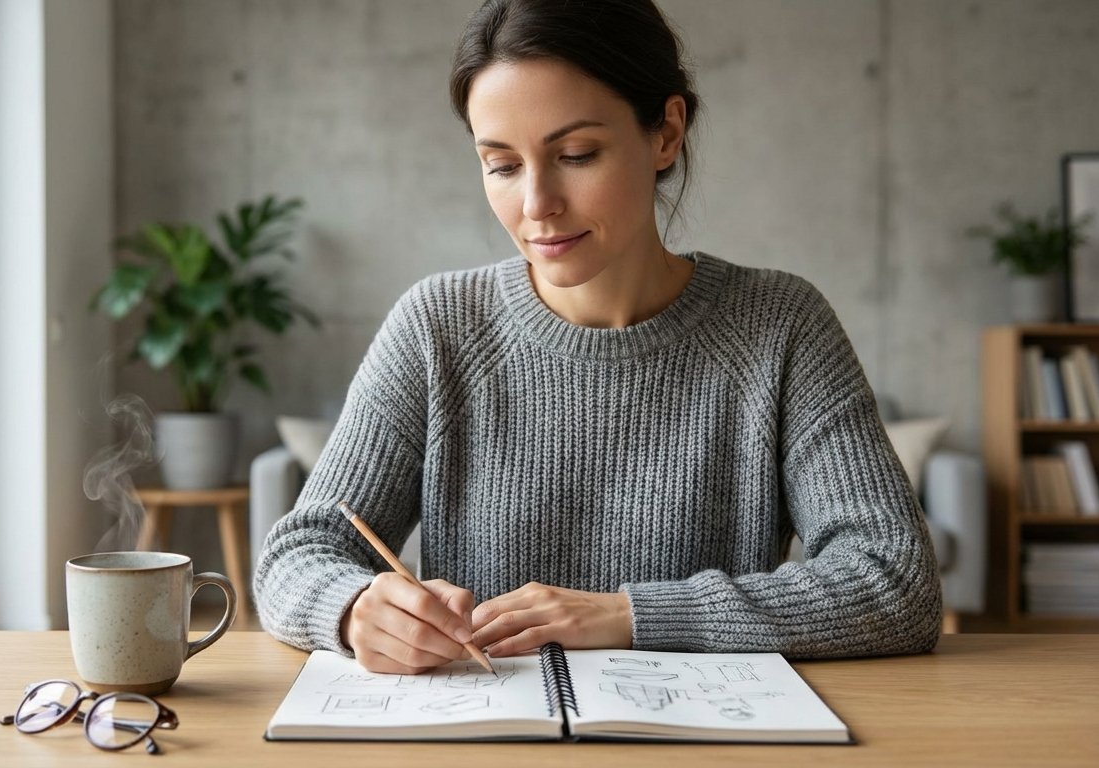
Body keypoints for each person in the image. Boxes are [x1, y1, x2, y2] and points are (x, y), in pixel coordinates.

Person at [253, 0, 941, 674]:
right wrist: (353, 608)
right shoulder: (436, 327)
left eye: (576, 154)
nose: (536, 205)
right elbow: (297, 555)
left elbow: (895, 581)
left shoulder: (781, 326)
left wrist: (628, 616)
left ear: (666, 132)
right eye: (501, 164)